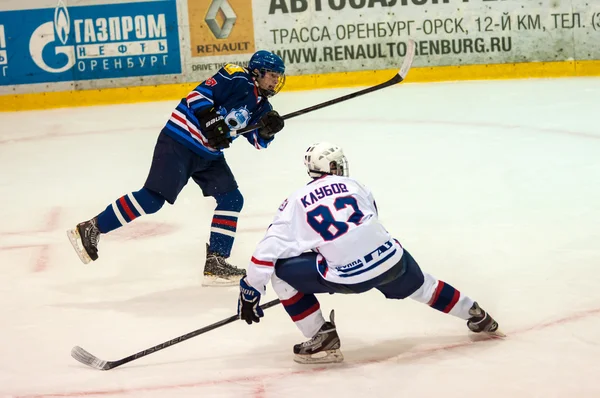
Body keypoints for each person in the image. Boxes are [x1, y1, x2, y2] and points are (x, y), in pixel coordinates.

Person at [237, 142, 504, 364]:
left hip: (348, 277)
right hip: (392, 259)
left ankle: (321, 335)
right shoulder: (356, 185)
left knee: (281, 274)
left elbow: (267, 251)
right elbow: (367, 221)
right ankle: (476, 314)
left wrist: (251, 290)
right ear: (333, 167)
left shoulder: (295, 201)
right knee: (424, 285)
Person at [67, 51, 287, 286]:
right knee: (152, 200)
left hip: (208, 156)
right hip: (180, 140)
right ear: (257, 72)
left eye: (278, 77)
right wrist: (210, 120)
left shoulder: (263, 107)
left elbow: (257, 142)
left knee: (231, 199)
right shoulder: (236, 77)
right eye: (272, 75)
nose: (275, 81)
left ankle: (216, 262)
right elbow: (197, 96)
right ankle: (92, 227)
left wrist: (267, 130)